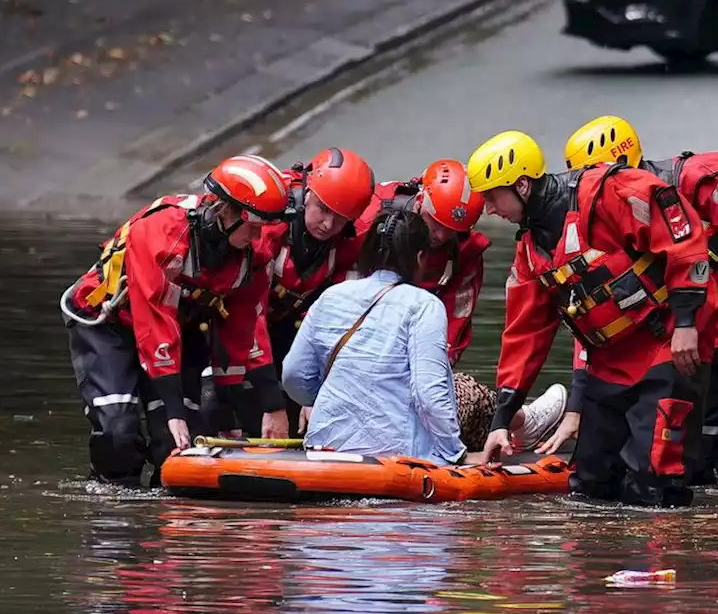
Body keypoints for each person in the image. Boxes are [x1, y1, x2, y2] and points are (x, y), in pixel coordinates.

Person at [466, 129, 717, 507]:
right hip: (609, 363)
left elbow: (685, 244)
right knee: (590, 484)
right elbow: (524, 334)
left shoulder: (609, 193)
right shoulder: (532, 250)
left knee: (654, 481)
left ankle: (670, 559)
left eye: (491, 197)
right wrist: (501, 420)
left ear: (520, 185)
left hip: (666, 345)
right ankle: (596, 564)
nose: (488, 210)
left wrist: (685, 324)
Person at [561, 115, 718, 491]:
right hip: (700, 349)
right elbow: (600, 320)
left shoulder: (709, 179)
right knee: (686, 469)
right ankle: (689, 549)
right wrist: (578, 404)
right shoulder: (610, 224)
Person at [60, 155, 293, 487]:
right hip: (110, 324)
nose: (259, 237)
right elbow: (154, 322)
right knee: (118, 434)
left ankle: (165, 525)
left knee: (177, 448)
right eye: (254, 226)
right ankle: (112, 509)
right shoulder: (161, 233)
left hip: (181, 330)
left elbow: (248, 327)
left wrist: (273, 404)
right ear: (226, 211)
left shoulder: (254, 254)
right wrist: (173, 411)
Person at [280, 207, 562, 463]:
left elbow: (293, 375)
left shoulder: (331, 297)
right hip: (398, 454)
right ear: (419, 257)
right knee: (466, 390)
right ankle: (525, 421)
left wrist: (329, 399)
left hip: (326, 447)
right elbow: (430, 394)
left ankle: (523, 420)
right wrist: (455, 453)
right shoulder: (423, 305)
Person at [368, 158, 566, 451]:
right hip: (368, 371)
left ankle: (515, 419)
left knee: (454, 389)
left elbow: (452, 336)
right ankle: (522, 421)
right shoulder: (368, 221)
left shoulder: (462, 256)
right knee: (466, 395)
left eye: (451, 230)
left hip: (389, 380)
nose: (440, 236)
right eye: (435, 224)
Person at [212, 147, 377, 438]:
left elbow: (340, 319)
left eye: (340, 219)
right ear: (308, 192)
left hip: (287, 330)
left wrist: (319, 389)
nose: (328, 225)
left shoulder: (351, 241)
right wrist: (270, 400)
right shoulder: (269, 225)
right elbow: (249, 312)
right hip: (228, 325)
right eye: (323, 210)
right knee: (225, 409)